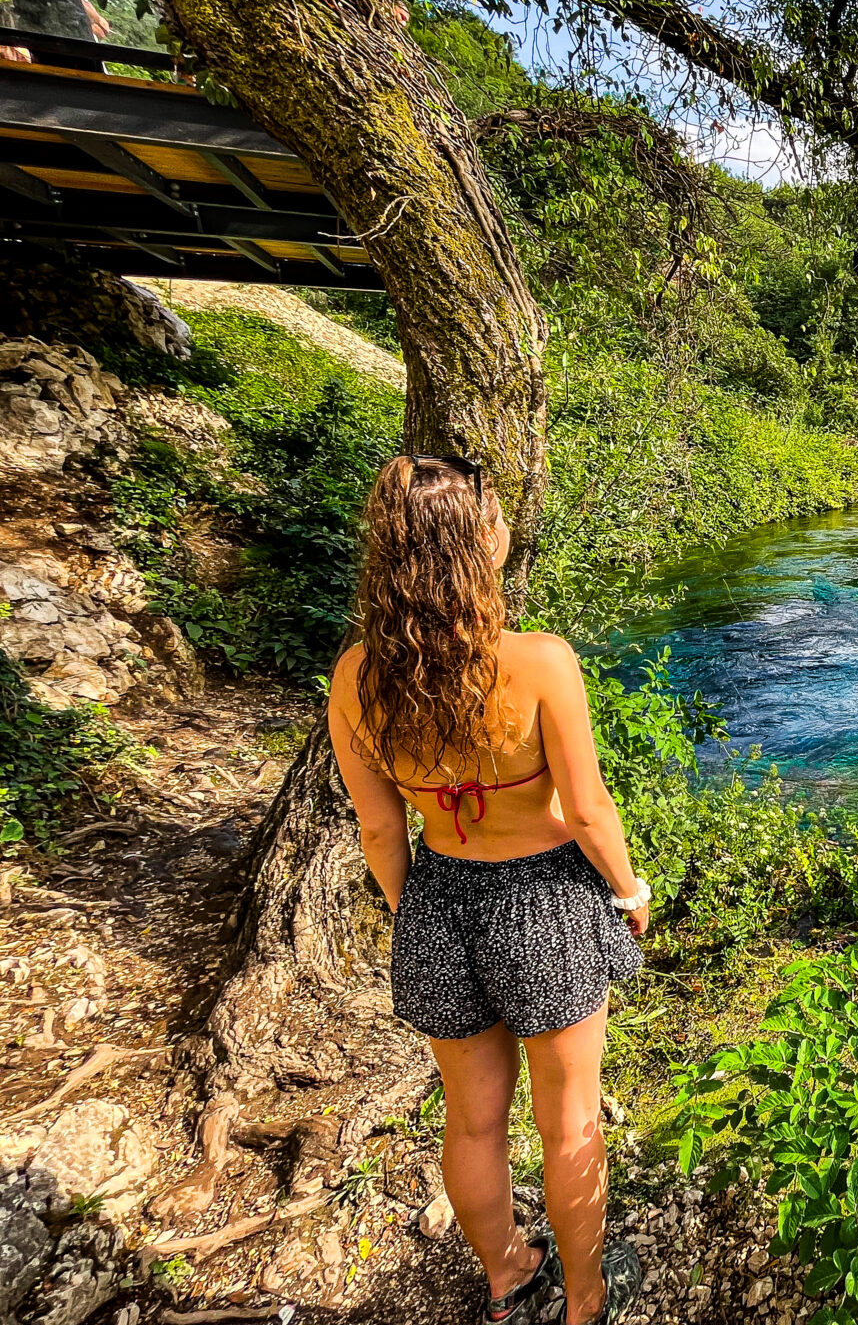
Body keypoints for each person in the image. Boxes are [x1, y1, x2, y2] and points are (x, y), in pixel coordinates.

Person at [328, 455, 647, 1325]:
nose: (507, 528)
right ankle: (585, 1301)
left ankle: (508, 1272)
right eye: (496, 518)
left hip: (437, 895)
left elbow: (380, 830)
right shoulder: (540, 663)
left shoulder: (355, 676)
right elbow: (586, 810)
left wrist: (415, 914)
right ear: (477, 545)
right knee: (570, 1120)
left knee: (472, 1123)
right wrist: (628, 890)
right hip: (543, 902)